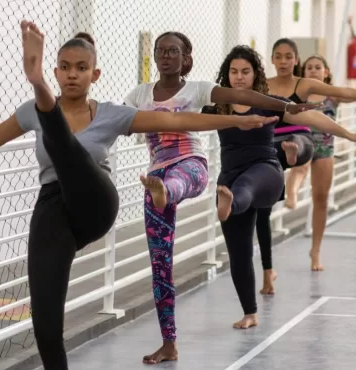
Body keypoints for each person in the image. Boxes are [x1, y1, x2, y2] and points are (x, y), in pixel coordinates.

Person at [0, 22, 282, 370]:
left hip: (96, 202)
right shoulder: (31, 114)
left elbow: (177, 120)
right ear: (56, 72)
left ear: (94, 74)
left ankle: (40, 91)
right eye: (64, 67)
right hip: (54, 208)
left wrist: (236, 119)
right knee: (46, 320)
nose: (72, 74)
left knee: (69, 151)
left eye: (80, 67)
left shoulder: (112, 114)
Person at [123, 32, 320, 365]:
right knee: (160, 265)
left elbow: (241, 93)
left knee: (174, 183)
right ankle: (169, 343)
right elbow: (116, 120)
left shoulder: (197, 89)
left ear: (187, 58)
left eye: (173, 51)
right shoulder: (139, 94)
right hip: (155, 174)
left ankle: (167, 192)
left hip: (190, 167)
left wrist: (286, 106)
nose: (165, 56)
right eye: (160, 51)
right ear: (154, 57)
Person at [203, 45, 356, 331]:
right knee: (239, 250)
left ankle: (232, 203)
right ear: (226, 75)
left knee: (244, 187)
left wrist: (348, 134)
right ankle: (250, 313)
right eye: (234, 72)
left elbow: (312, 118)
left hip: (267, 170)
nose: (239, 77)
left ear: (256, 74)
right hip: (229, 177)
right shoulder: (217, 106)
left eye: (245, 72)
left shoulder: (270, 102)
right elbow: (183, 120)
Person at [266, 38, 356, 271]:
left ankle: (316, 251)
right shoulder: (299, 90)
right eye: (309, 67)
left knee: (321, 197)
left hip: (326, 146)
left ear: (326, 72)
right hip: (299, 141)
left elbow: (355, 91)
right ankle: (291, 193)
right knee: (300, 164)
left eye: (317, 67)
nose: (312, 70)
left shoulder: (329, 94)